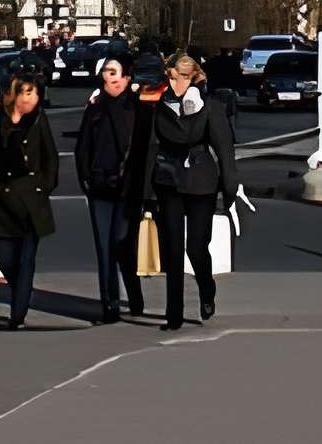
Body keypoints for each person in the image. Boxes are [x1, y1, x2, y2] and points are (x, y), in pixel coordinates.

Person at [148, 53, 235, 330]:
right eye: (171, 78)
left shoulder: (210, 107)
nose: (174, 84)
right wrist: (145, 190)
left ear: (191, 78)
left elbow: (224, 150)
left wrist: (230, 188)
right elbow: (150, 147)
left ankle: (206, 290)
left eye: (180, 78)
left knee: (196, 247)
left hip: (201, 181)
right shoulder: (159, 104)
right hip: (168, 179)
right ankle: (173, 314)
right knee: (172, 248)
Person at [0, 73, 59, 327]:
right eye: (27, 92)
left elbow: (50, 156)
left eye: (35, 93)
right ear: (14, 95)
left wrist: (46, 185)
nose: (33, 98)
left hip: (32, 199)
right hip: (3, 200)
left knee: (26, 258)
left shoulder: (39, 120)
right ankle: (22, 288)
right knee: (4, 255)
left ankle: (17, 314)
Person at [73, 55, 154, 323]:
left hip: (127, 188)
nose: (111, 77)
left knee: (123, 245)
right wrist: (85, 177)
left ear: (127, 77)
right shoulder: (94, 108)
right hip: (99, 186)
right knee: (103, 248)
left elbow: (144, 150)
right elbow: (82, 146)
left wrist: (143, 189)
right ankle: (110, 305)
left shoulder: (138, 108)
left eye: (115, 72)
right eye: (107, 72)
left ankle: (134, 293)